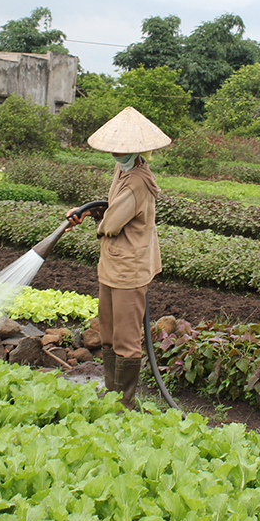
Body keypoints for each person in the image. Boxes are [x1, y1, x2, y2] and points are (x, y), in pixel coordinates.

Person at [65, 106, 171, 409]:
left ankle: (124, 402)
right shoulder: (123, 169)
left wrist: (96, 218)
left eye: (118, 151)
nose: (114, 154)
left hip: (129, 269)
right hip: (112, 265)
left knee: (125, 339)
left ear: (135, 150)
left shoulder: (138, 181)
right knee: (109, 332)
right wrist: (87, 210)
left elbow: (111, 224)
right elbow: (111, 207)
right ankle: (111, 392)